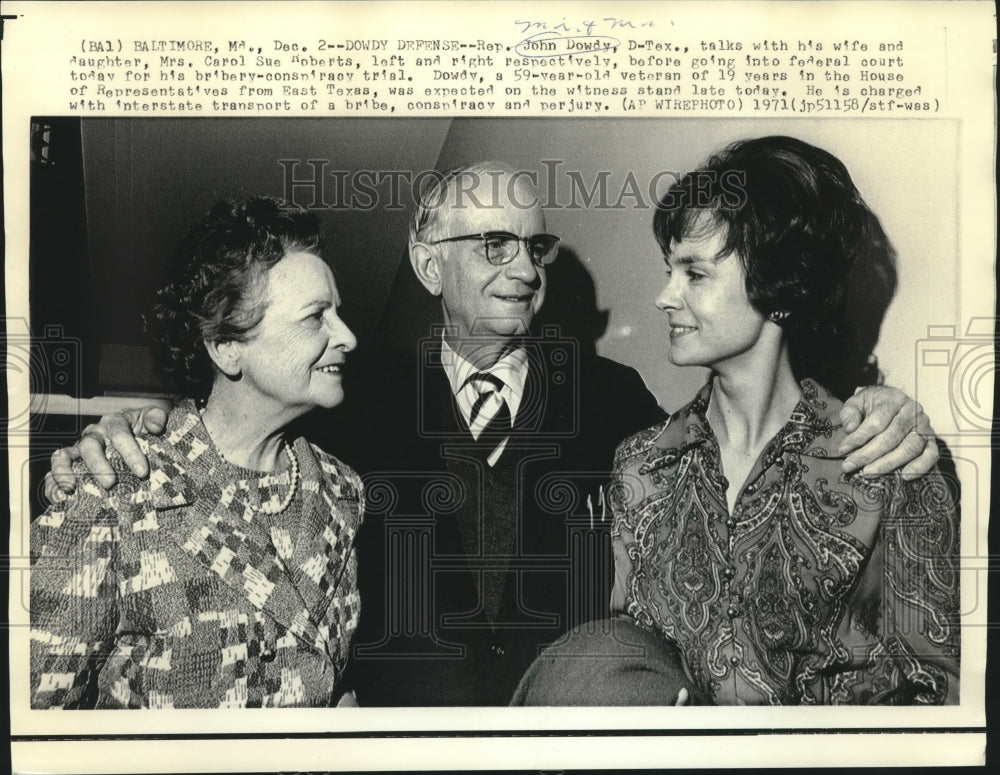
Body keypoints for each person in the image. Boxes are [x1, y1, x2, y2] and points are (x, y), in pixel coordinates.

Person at [44, 162, 941, 706]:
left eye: (536, 248)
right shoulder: (347, 402)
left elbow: (746, 457)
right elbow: (232, 444)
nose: (524, 268)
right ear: (428, 263)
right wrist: (134, 430)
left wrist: (880, 404)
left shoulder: (620, 402)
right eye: (494, 245)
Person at [599, 136, 958, 705]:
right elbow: (620, 662)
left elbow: (937, 696)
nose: (664, 297)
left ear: (782, 287)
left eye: (695, 273)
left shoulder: (887, 461)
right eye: (670, 270)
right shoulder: (640, 468)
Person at [30, 197, 364, 708]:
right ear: (226, 347)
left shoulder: (345, 495)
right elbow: (36, 730)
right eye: (316, 316)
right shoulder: (115, 488)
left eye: (338, 312)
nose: (348, 336)